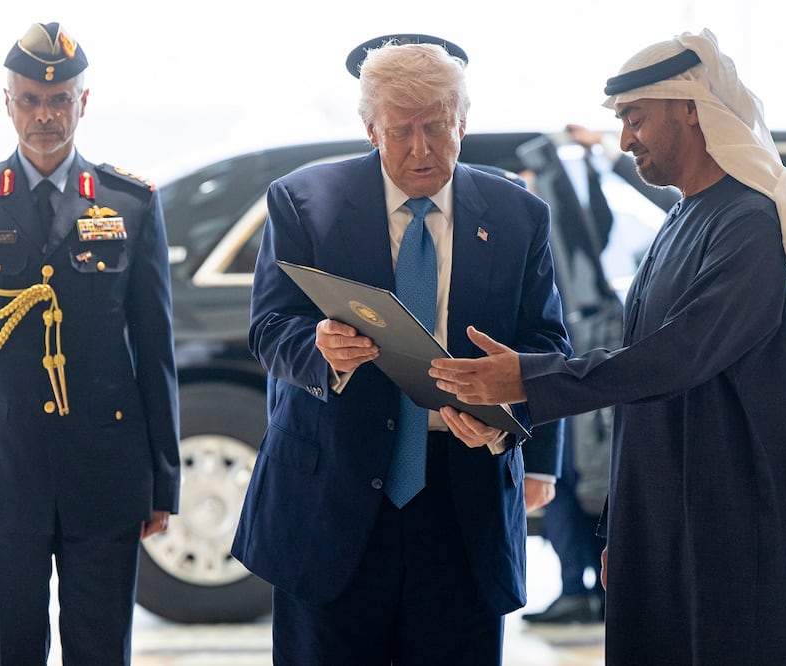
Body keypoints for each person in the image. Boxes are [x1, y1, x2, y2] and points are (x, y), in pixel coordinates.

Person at [430, 28, 786, 664]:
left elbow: (678, 358)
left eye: (635, 118)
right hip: (666, 526)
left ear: (690, 106)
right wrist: (626, 530)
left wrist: (529, 380)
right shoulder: (682, 220)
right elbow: (641, 398)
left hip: (740, 528)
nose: (625, 140)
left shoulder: (753, 221)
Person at [230, 34, 571, 665]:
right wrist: (319, 348)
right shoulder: (306, 204)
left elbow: (546, 343)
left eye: (437, 128)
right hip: (331, 494)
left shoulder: (518, 215)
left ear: (463, 123)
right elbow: (270, 326)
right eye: (401, 132)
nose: (421, 150)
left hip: (460, 500)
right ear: (369, 130)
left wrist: (515, 434)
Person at [0, 22, 180, 665]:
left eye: (59, 100)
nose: (44, 116)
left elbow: (154, 348)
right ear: (9, 100)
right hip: (7, 468)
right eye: (29, 100)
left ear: (83, 102)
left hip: (105, 471)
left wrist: (163, 481)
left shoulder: (129, 203)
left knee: (101, 647)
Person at [522, 126, 680, 625]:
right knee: (571, 472)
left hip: (594, 349)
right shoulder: (586, 203)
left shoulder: (642, 207)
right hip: (578, 349)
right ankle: (583, 585)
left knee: (592, 471)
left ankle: (593, 586)